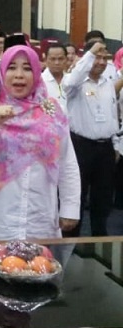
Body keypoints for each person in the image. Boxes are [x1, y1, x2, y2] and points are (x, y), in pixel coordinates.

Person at [0, 45, 80, 241]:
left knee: (38, 269)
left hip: (37, 219)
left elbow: (67, 162)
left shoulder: (52, 111)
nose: (19, 75)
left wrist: (70, 207)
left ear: (36, 72)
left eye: (27, 68)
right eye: (11, 67)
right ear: (1, 73)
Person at [61, 39, 121, 237]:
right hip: (81, 146)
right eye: (97, 58)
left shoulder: (108, 84)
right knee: (77, 195)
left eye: (105, 58)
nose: (102, 62)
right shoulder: (75, 83)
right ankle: (71, 241)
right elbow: (69, 81)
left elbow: (113, 116)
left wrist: (116, 146)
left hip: (105, 149)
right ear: (87, 59)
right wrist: (90, 54)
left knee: (102, 199)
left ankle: (99, 239)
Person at [42, 43, 69, 113]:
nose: (57, 63)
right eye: (52, 59)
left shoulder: (71, 80)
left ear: (66, 59)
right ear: (46, 60)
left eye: (60, 59)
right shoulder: (39, 81)